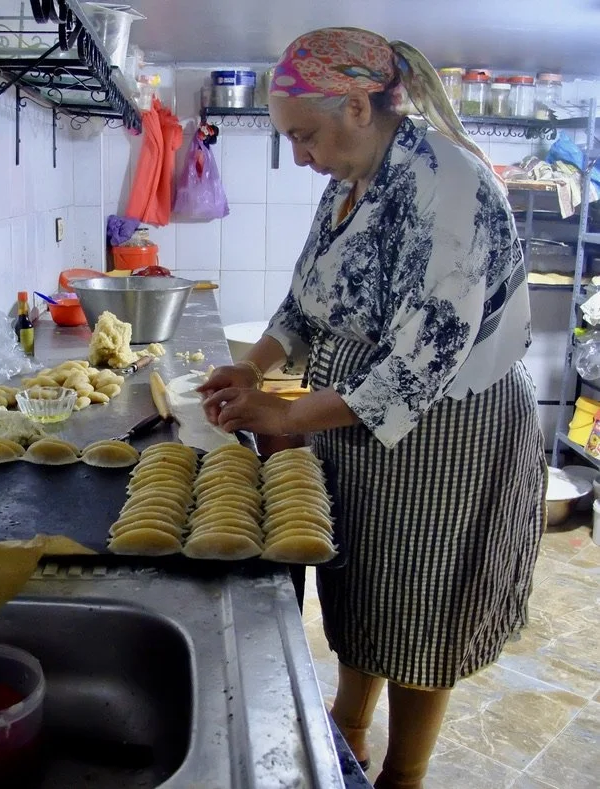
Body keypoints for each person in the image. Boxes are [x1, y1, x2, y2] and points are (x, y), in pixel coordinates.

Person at [199, 27, 546, 789]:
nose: (300, 156)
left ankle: (404, 773)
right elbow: (306, 300)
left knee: (422, 606)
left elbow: (421, 365)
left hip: (449, 423)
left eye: (305, 136)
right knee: (362, 587)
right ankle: (349, 727)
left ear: (357, 104)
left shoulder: (444, 183)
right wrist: (250, 365)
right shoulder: (350, 176)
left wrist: (286, 418)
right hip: (348, 413)